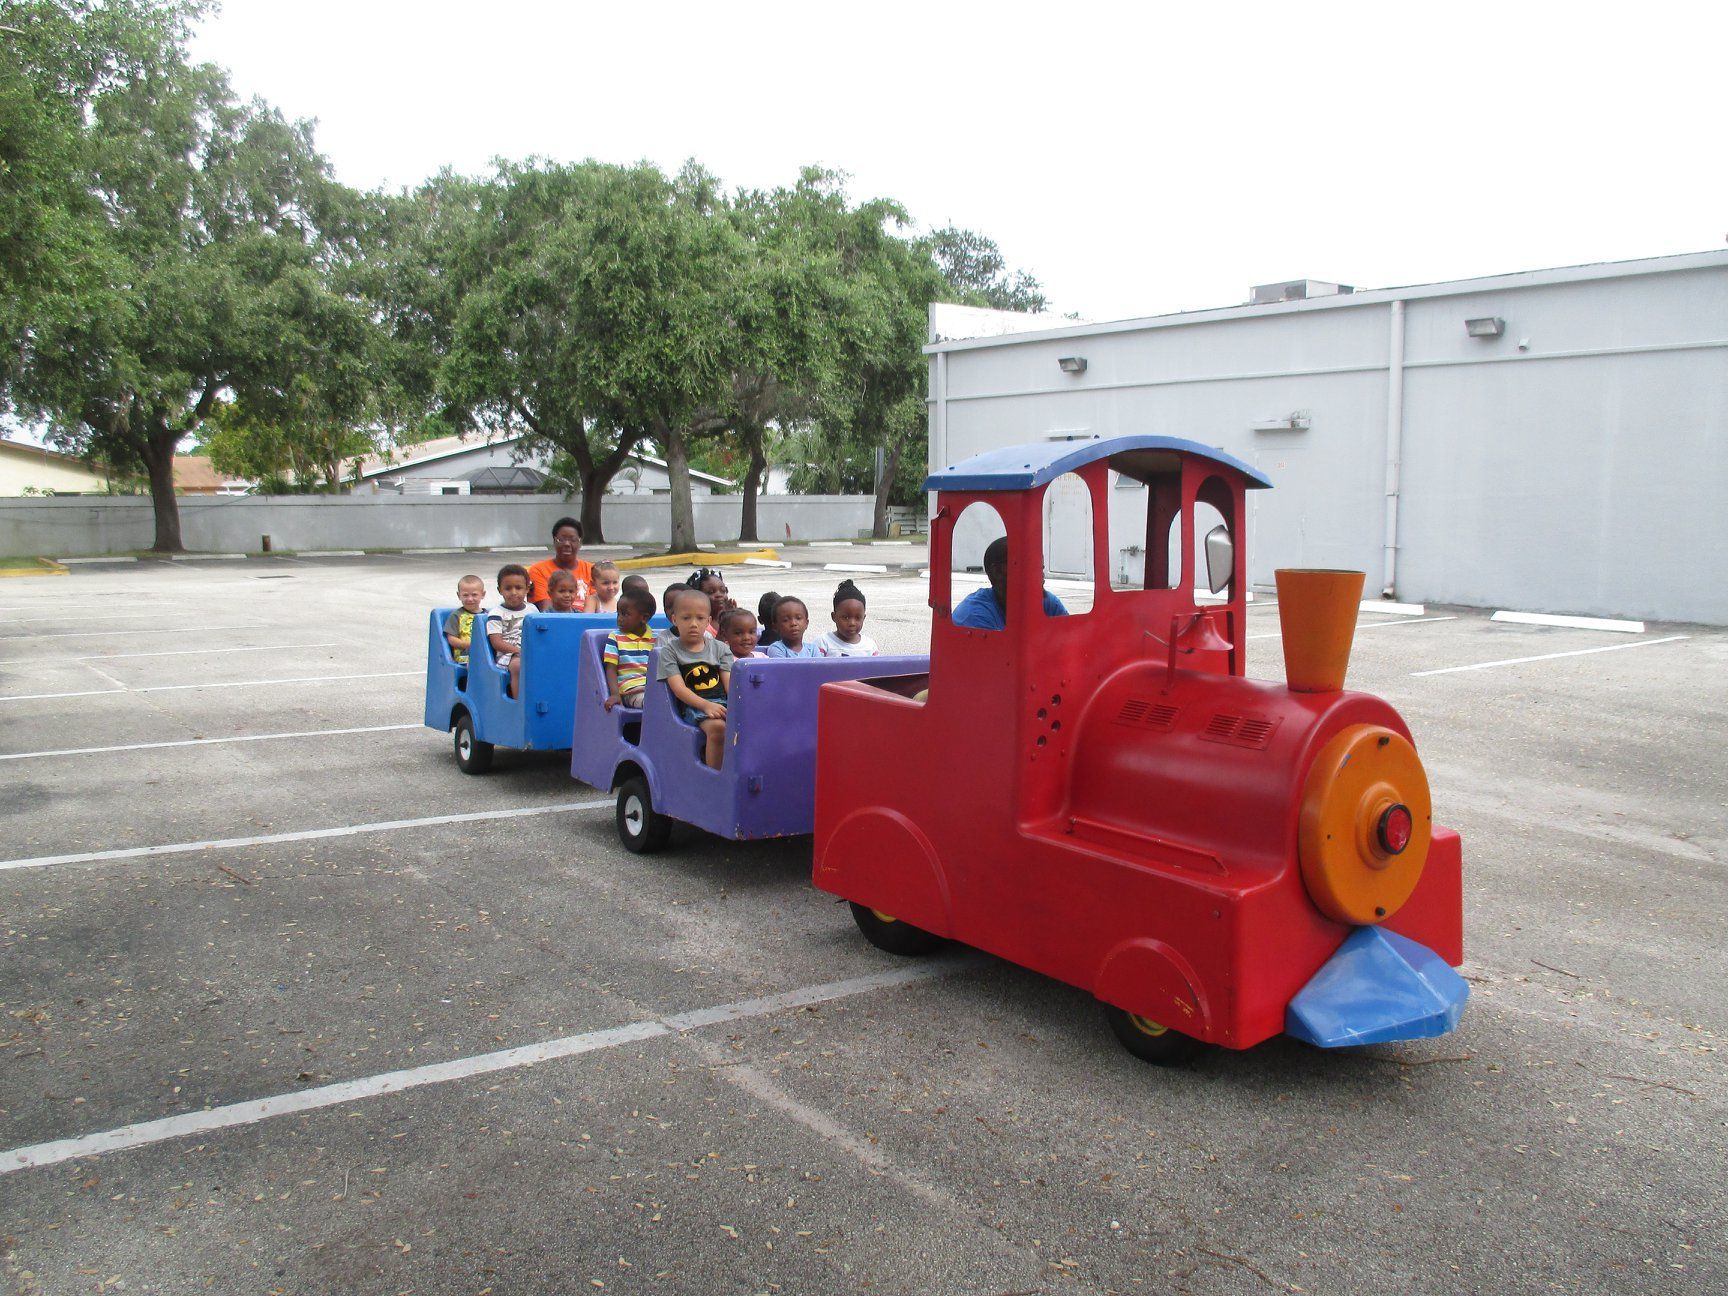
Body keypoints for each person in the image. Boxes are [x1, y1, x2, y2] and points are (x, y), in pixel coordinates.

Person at [657, 587, 732, 769]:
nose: (693, 624)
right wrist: (705, 705)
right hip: (693, 707)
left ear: (708, 621)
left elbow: (730, 685)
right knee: (718, 729)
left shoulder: (720, 648)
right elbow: (679, 689)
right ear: (675, 619)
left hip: (722, 702)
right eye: (686, 618)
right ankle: (714, 778)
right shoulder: (670, 651)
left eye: (699, 618)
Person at [952, 537, 1068, 631]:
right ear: (997, 571)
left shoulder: (1048, 604)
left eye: (1040, 569)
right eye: (1031, 569)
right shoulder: (974, 616)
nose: (1041, 577)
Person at [603, 587, 657, 711]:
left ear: (643, 618)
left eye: (625, 614)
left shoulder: (656, 639)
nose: (619, 618)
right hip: (630, 691)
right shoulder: (615, 637)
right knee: (653, 705)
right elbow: (611, 669)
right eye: (618, 613)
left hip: (655, 689)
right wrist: (615, 694)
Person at [486, 565, 534, 697]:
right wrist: (518, 651)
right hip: (507, 655)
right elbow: (496, 642)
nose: (513, 592)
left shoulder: (532, 610)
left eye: (518, 588)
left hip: (530, 650)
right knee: (517, 665)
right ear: (499, 590)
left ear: (527, 589)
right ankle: (519, 702)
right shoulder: (496, 613)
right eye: (508, 588)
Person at [528, 517, 593, 611]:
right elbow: (546, 610)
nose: (567, 544)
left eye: (573, 539)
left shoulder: (591, 570)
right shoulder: (538, 570)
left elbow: (598, 605)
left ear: (580, 543)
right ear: (554, 541)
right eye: (561, 539)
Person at [818, 579, 880, 656]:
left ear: (863, 618)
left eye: (858, 617)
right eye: (845, 617)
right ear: (834, 617)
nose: (852, 623)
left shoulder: (870, 647)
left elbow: (876, 667)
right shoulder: (823, 643)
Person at [443, 575, 487, 664]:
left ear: (482, 595)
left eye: (474, 595)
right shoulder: (456, 615)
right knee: (474, 663)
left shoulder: (487, 616)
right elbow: (451, 639)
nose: (470, 599)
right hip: (464, 657)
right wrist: (470, 645)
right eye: (465, 595)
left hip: (485, 655)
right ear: (459, 595)